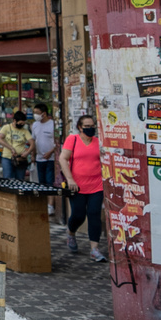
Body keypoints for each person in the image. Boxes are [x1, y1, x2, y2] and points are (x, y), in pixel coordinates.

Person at [60, 112, 106, 263]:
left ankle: (94, 249)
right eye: (87, 126)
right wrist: (70, 179)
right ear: (80, 127)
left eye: (92, 126)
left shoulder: (98, 142)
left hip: (96, 185)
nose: (90, 129)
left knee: (94, 215)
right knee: (78, 214)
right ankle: (71, 232)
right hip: (77, 186)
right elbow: (63, 158)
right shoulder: (72, 140)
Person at [0, 108, 33, 179]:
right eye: (20, 123)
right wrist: (11, 148)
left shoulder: (25, 131)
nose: (21, 125)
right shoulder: (6, 128)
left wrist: (27, 153)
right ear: (14, 121)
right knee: (7, 178)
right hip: (7, 157)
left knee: (20, 178)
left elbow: (32, 143)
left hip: (20, 159)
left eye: (23, 124)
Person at [31, 102, 56, 186]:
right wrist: (32, 155)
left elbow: (57, 142)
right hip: (39, 158)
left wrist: (51, 152)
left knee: (49, 181)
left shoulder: (52, 124)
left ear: (44, 113)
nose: (35, 115)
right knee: (41, 182)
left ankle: (50, 199)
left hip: (50, 158)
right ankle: (44, 199)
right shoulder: (35, 125)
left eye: (37, 113)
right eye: (34, 113)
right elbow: (33, 141)